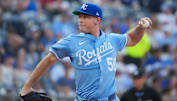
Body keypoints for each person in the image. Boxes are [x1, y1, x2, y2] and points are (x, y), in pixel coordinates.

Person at [20, 3, 152, 101]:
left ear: (97, 20)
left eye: (85, 16)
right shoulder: (72, 41)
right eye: (79, 17)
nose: (80, 20)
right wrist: (27, 86)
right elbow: (48, 60)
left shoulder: (112, 39)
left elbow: (132, 39)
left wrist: (140, 28)